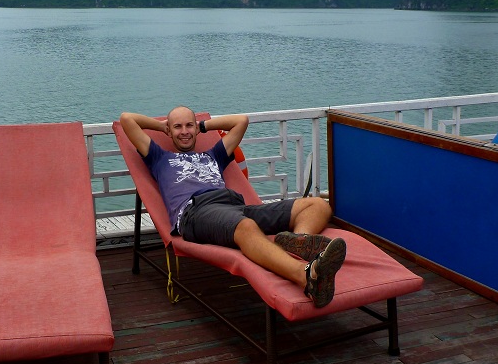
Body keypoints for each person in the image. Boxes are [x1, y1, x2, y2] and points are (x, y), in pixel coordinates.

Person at [120, 106, 346, 308]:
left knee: (317, 205)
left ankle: (299, 242)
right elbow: (127, 118)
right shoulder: (160, 158)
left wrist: (202, 125)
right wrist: (162, 126)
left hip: (234, 206)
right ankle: (306, 277)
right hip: (195, 212)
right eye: (177, 127)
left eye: (189, 125)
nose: (185, 131)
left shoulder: (214, 155)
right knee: (245, 227)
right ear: (169, 131)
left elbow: (241, 121)